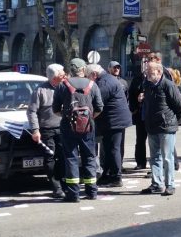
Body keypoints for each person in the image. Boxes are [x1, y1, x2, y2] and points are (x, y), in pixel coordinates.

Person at [52, 58, 103, 202]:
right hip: (88, 128)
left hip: (68, 128)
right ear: (83, 69)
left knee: (71, 159)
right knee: (89, 158)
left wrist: (67, 117)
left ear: (72, 69)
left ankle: (73, 194)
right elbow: (99, 108)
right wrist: (88, 118)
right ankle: (92, 192)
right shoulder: (93, 85)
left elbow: (55, 109)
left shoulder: (63, 85)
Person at [139, 61, 181, 196]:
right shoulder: (147, 85)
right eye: (147, 71)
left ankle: (170, 184)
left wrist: (171, 120)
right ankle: (156, 184)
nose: (147, 73)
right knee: (154, 157)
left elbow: (179, 106)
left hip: (166, 126)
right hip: (152, 126)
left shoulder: (167, 85)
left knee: (167, 157)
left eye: (150, 71)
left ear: (159, 72)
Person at [86, 64, 132, 188]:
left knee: (113, 149)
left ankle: (116, 177)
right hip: (112, 120)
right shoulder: (107, 79)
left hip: (114, 121)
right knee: (108, 148)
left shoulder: (104, 83)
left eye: (88, 76)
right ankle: (107, 174)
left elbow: (97, 101)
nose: (88, 80)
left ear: (94, 74)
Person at [27, 63, 66, 198]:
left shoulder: (65, 87)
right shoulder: (40, 90)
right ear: (54, 77)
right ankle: (56, 187)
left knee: (63, 156)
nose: (64, 75)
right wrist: (35, 130)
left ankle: (65, 182)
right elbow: (32, 111)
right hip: (47, 130)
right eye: (62, 74)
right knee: (50, 157)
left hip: (63, 129)